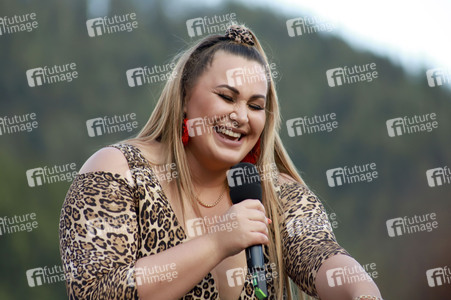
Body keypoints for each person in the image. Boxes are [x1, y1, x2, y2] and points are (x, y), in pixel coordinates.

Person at [59, 25, 382, 300]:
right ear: (185, 97)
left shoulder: (277, 194)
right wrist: (217, 241)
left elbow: (321, 255)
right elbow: (96, 291)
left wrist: (362, 292)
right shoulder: (119, 171)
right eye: (227, 97)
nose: (240, 116)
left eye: (255, 106)